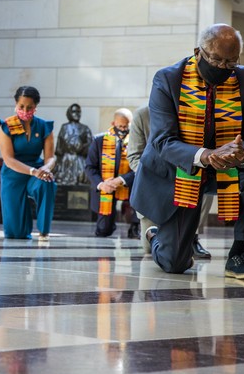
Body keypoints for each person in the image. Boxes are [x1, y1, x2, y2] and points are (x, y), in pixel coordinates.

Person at [131, 23, 244, 280]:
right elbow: (163, 141)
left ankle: (239, 255)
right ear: (198, 52)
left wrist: (242, 154)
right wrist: (207, 155)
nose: (223, 67)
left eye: (231, 62)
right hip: (179, 172)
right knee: (175, 263)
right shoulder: (168, 79)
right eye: (216, 60)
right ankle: (155, 234)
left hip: (224, 168)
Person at [127, 105, 212, 259]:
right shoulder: (142, 115)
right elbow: (134, 157)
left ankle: (192, 237)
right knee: (150, 249)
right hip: (155, 181)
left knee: (204, 184)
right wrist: (157, 178)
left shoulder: (196, 109)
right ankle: (156, 235)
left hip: (188, 177)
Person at [0, 85, 57, 241]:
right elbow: (9, 160)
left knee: (47, 182)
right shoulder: (7, 126)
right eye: (21, 106)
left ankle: (44, 231)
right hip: (13, 174)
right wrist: (33, 171)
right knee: (16, 233)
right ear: (16, 104)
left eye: (29, 107)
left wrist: (46, 168)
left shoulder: (44, 127)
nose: (25, 110)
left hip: (37, 172)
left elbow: (51, 157)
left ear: (36, 106)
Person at [85, 108, 139, 238]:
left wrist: (121, 179)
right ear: (113, 123)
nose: (123, 129)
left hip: (128, 183)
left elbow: (140, 167)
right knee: (103, 230)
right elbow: (90, 167)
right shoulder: (99, 140)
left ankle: (135, 225)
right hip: (106, 185)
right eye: (120, 126)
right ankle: (108, 223)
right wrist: (101, 184)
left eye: (126, 127)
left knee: (140, 189)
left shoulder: (137, 141)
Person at [54, 103, 93, 186]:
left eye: (79, 112)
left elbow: (90, 144)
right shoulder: (64, 127)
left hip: (80, 160)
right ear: (69, 113)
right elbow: (59, 147)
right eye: (74, 111)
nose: (77, 114)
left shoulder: (85, 128)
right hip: (65, 160)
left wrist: (82, 148)